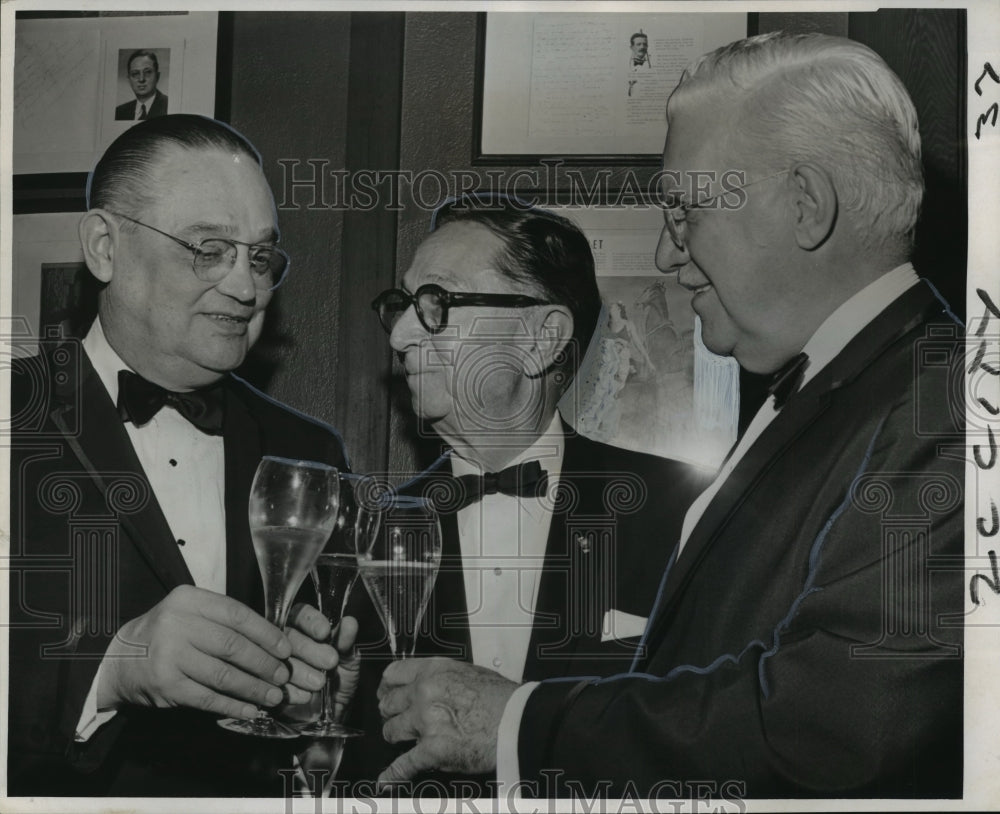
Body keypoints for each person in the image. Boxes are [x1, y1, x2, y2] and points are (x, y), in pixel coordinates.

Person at [375, 32, 964, 799]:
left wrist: (517, 723)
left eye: (685, 211)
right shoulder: (842, 392)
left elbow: (848, 726)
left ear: (806, 206)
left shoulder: (953, 399)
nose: (664, 253)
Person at [8, 114, 352, 796]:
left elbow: (327, 712)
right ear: (105, 247)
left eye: (259, 257)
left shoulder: (309, 451)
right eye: (208, 249)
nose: (246, 288)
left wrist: (323, 685)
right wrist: (109, 668)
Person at [344, 196, 709, 791]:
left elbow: (711, 739)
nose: (402, 335)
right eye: (402, 306)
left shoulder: (682, 512)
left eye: (437, 303)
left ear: (543, 338)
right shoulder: (364, 529)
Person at [114, 50, 169, 121]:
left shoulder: (169, 105)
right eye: (135, 73)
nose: (141, 79)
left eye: (147, 72)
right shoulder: (119, 112)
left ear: (157, 76)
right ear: (129, 80)